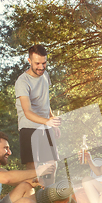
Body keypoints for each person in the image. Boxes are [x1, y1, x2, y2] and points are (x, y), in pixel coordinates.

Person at [15, 44, 60, 182]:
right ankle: (33, 200)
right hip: (29, 127)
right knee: (33, 170)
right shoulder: (22, 81)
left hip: (46, 126)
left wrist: (52, 121)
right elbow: (27, 112)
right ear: (29, 61)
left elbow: (45, 101)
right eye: (37, 63)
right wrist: (47, 121)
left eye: (44, 63)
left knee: (52, 164)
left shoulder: (45, 75)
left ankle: (50, 197)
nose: (41, 67)